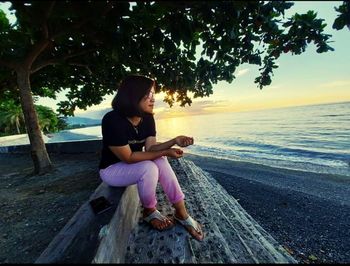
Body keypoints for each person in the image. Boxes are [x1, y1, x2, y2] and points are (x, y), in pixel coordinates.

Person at [98, 75, 204, 241]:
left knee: (159, 160)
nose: (153, 99)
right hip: (112, 169)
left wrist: (174, 141)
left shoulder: (147, 117)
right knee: (150, 167)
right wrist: (165, 152)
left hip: (133, 164)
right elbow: (128, 157)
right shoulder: (112, 120)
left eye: (153, 94)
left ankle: (181, 213)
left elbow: (151, 148)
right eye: (148, 94)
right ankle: (149, 210)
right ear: (132, 95)